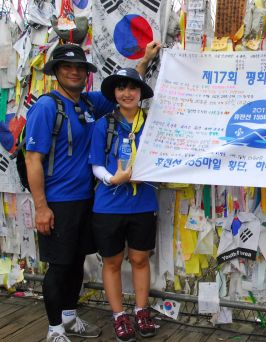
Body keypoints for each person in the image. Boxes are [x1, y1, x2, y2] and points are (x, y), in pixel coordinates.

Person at [24, 42, 160, 342]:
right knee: (59, 266)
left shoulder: (87, 104)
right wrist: (41, 206)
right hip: (58, 202)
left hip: (87, 200)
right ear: (56, 72)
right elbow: (32, 158)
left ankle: (70, 318)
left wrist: (146, 59)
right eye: (67, 67)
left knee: (75, 262)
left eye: (79, 68)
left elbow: (126, 88)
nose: (73, 72)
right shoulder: (47, 107)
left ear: (86, 75)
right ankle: (54, 329)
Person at [89, 67, 159, 342]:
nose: (127, 93)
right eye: (121, 88)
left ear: (141, 93)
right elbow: (95, 164)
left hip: (143, 202)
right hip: (108, 205)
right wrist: (112, 179)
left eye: (132, 88)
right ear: (114, 93)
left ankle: (142, 311)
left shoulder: (153, 123)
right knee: (113, 261)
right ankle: (119, 315)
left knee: (140, 258)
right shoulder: (103, 124)